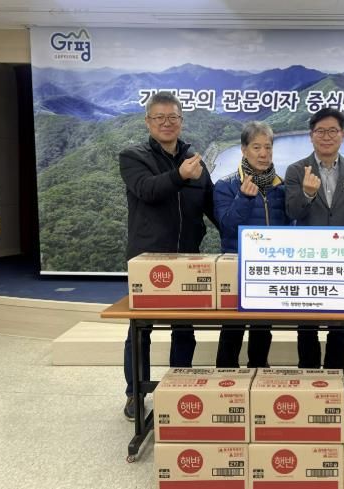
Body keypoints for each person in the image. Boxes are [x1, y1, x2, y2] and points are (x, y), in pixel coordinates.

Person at [119, 91, 217, 420]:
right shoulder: (133, 156)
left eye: (172, 117)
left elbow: (213, 206)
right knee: (140, 330)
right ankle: (135, 393)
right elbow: (147, 190)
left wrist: (248, 235)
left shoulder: (194, 160)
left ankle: (180, 383)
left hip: (187, 258)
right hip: (147, 261)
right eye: (159, 117)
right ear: (148, 122)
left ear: (181, 121)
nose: (166, 123)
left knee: (184, 328)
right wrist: (180, 176)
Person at [284, 107, 344, 369]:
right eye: (320, 131)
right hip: (307, 259)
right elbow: (292, 212)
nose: (327, 136)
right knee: (307, 326)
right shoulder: (296, 170)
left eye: (333, 131)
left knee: (340, 326)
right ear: (311, 136)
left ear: (343, 135)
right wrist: (307, 194)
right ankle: (308, 378)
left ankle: (334, 379)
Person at [213, 121, 290, 368]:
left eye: (268, 147)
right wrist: (244, 198)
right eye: (257, 147)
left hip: (269, 269)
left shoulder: (281, 187)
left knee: (263, 328)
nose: (263, 153)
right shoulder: (226, 186)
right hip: (236, 266)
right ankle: (226, 376)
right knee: (232, 329)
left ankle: (259, 373)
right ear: (244, 150)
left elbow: (290, 227)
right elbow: (226, 226)